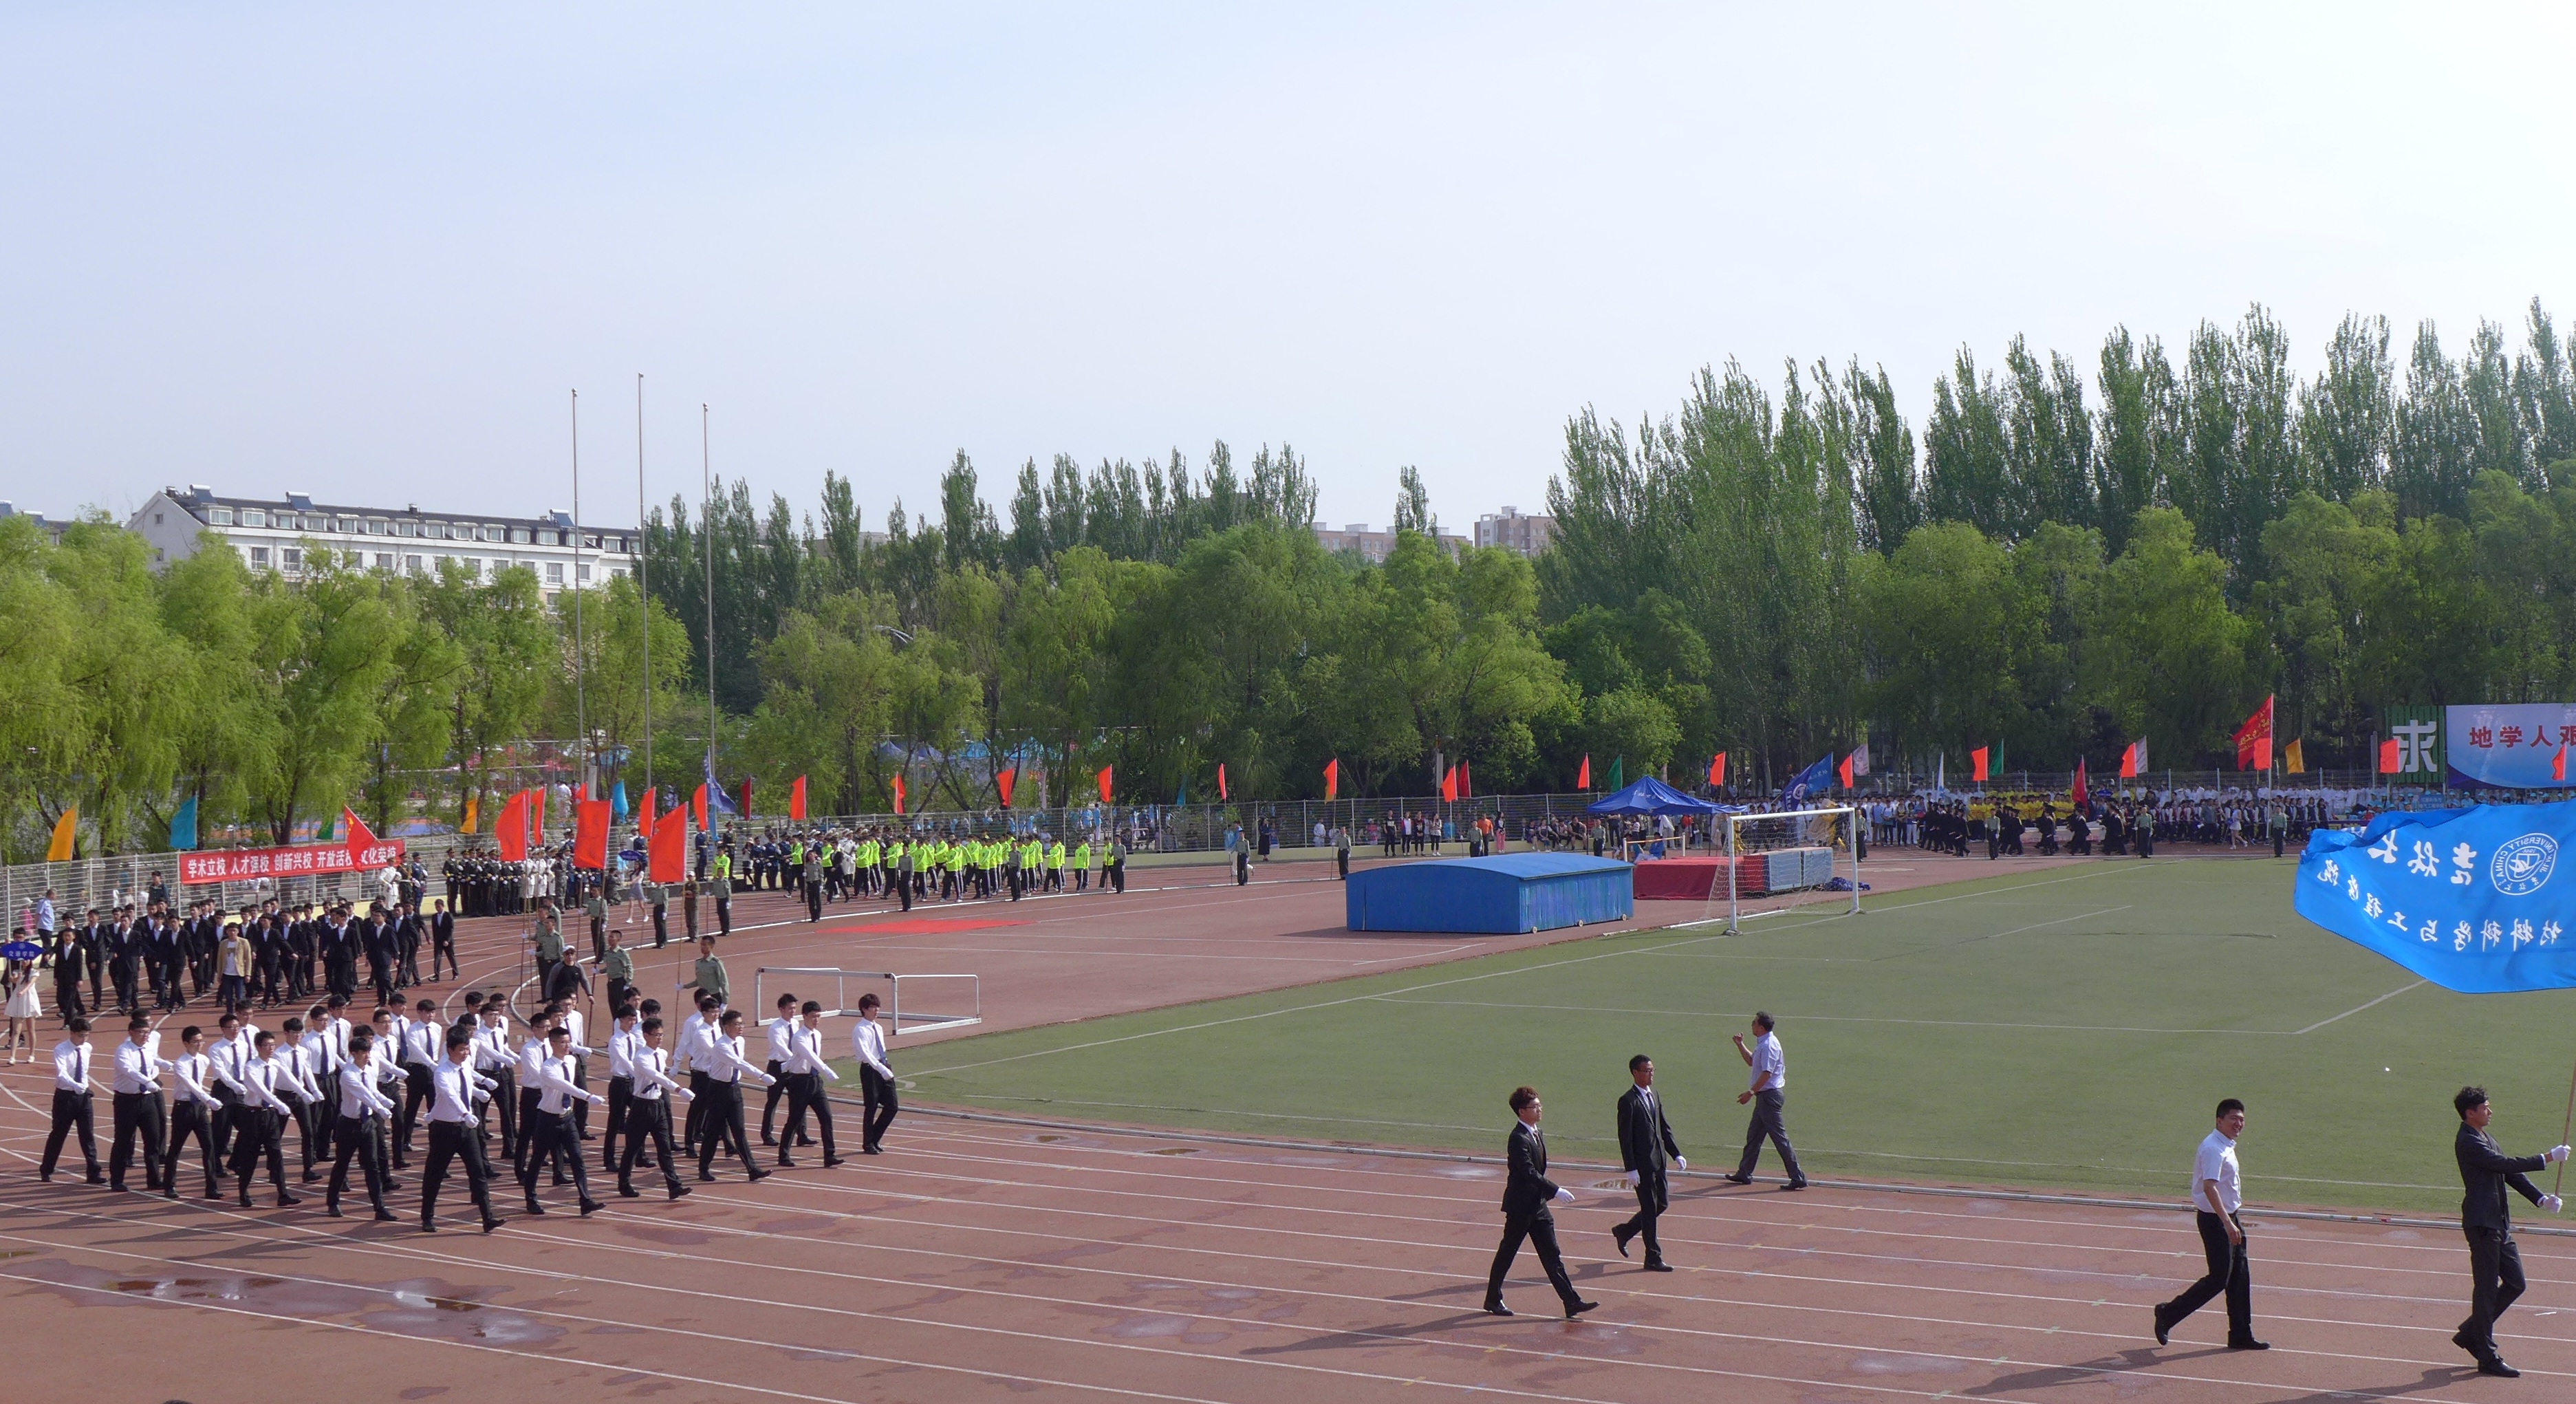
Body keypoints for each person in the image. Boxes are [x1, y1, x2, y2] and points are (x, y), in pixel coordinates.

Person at [2450, 1086, 2570, 1377]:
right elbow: (2502, 1164)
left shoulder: (2485, 1137)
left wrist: (2540, 1199)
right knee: (2486, 1290)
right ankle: (2487, 1355)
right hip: (2482, 1224)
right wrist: (2547, 1157)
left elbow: (2509, 1173)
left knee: (2516, 1282)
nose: (2490, 1111)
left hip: (2499, 1223)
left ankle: (2472, 1333)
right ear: (2470, 1113)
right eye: (2485, 1107)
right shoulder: (2468, 1141)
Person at [2152, 1099, 2266, 1350]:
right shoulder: (2213, 1149)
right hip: (2216, 1220)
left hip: (2229, 1217)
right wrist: (2227, 1223)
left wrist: (2232, 1220)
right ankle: (2168, 1313)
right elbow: (2209, 1187)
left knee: (2239, 1276)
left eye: (2242, 1119)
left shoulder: (2225, 1144)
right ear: (2219, 1120)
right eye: (2233, 1119)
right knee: (2218, 1279)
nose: (2239, 1124)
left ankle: (2241, 1334)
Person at [1483, 1086, 1595, 1319]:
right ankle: (1493, 1298)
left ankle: (1571, 1302)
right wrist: (1556, 1190)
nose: (1539, 1109)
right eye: (1535, 1107)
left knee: (1552, 1255)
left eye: (1539, 1105)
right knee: (1507, 1252)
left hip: (1539, 1206)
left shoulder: (1536, 1133)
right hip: (1521, 1207)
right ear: (1522, 1111)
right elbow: (1528, 1172)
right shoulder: (1518, 1138)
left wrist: (1547, 1194)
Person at [421, 1028, 506, 1233]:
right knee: (435, 1174)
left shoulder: (465, 1066)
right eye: (461, 1049)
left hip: (466, 1130)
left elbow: (465, 1086)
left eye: (467, 1049)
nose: (466, 1053)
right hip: (445, 1129)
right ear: (450, 1050)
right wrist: (466, 1113)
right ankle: (427, 1217)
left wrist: (479, 1090)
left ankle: (488, 1217)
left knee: (478, 1172)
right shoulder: (442, 1072)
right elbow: (451, 1095)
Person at [518, 1024, 606, 1218]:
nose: (567, 1046)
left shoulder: (572, 1061)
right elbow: (564, 1085)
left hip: (567, 1117)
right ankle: (531, 1199)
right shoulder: (547, 1068)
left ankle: (585, 1200)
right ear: (552, 1044)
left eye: (568, 1042)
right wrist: (588, 1096)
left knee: (577, 1158)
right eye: (563, 1043)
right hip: (548, 1119)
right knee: (538, 1159)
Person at [1612, 1054, 1683, 1271]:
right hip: (1642, 1166)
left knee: (1662, 1203)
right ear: (1635, 1073)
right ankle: (1653, 1257)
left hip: (1659, 1161)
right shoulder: (1628, 1101)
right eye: (1647, 1071)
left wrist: (1676, 1153)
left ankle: (1625, 1231)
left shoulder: (1654, 1095)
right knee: (1650, 1210)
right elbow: (1625, 1138)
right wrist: (1631, 1169)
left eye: (1652, 1070)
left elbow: (1663, 1127)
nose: (1651, 1074)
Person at [326, 1028, 402, 1221]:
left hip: (367, 1124)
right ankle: (333, 1201)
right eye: (364, 1052)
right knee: (342, 1164)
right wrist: (380, 1108)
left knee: (372, 1166)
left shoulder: (368, 1070)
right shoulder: (348, 1074)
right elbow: (363, 1094)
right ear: (354, 1054)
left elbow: (372, 1090)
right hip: (349, 1125)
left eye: (369, 1052)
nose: (368, 1056)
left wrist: (385, 1100)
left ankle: (379, 1208)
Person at [1724, 1011, 1806, 1189]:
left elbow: (1767, 1073)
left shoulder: (1769, 1045)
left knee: (1780, 1139)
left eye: (1754, 1023)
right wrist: (1740, 1045)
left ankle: (1798, 1177)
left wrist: (1750, 1092)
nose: (1752, 1025)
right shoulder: (1764, 1043)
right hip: (1765, 1097)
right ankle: (1744, 1173)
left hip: (1769, 1097)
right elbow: (1752, 1062)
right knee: (1754, 1137)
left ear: (1761, 1027)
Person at [617, 1016, 694, 1200]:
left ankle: (674, 1186)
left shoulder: (662, 1054)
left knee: (665, 1149)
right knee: (632, 1148)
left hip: (658, 1105)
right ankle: (624, 1184)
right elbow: (656, 1076)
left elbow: (662, 1077)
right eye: (656, 1035)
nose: (659, 1038)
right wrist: (679, 1089)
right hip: (641, 1106)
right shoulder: (641, 1057)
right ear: (646, 1036)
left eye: (661, 1035)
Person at [693, 1009, 775, 1182]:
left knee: (740, 1130)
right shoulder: (721, 1046)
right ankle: (703, 1168)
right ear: (726, 1026)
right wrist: (761, 1075)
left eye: (741, 1023)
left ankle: (752, 1169)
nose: (741, 1027)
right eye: (737, 1024)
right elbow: (738, 1062)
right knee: (713, 1132)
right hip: (718, 1090)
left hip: (734, 1089)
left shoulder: (741, 1041)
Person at [228, 1030, 304, 1206]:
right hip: (253, 1116)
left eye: (273, 1045)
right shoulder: (251, 1067)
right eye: (267, 1045)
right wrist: (279, 1103)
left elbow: (291, 1079)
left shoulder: (275, 1064)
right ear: (258, 1047)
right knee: (251, 1156)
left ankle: (283, 1194)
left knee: (276, 1155)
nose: (271, 1049)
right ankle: (243, 1192)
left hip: (270, 1115)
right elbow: (260, 1090)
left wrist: (305, 1092)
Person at [160, 1025, 226, 1200]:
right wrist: (209, 1099)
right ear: (186, 1043)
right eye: (195, 1041)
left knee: (209, 1147)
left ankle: (212, 1187)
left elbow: (200, 1084)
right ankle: (169, 1185)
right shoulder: (181, 1064)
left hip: (200, 1108)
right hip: (184, 1108)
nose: (199, 1044)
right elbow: (191, 1085)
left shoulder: (204, 1060)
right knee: (176, 1147)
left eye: (201, 1041)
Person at [776, 1000, 844, 1167]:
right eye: (813, 1016)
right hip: (800, 1082)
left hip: (815, 1081)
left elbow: (806, 1057)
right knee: (794, 1119)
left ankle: (829, 1155)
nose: (816, 1020)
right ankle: (783, 1156)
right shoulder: (799, 1037)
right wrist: (827, 1070)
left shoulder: (817, 1035)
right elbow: (810, 1056)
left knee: (826, 1117)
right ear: (804, 1016)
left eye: (819, 1016)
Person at [108, 1016, 171, 1193]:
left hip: (147, 1100)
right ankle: (117, 1180)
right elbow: (129, 1070)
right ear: (131, 1032)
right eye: (141, 1032)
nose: (145, 1036)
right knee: (123, 1141)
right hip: (126, 1101)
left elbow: (152, 1059)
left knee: (153, 1139)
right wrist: (148, 1081)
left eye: (147, 1032)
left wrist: (164, 1064)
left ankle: (154, 1179)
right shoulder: (123, 1050)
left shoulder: (147, 1049)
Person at [41, 1017, 107, 1183]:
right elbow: (61, 1073)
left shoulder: (87, 1048)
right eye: (81, 1036)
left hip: (83, 1097)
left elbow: (84, 1071)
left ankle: (94, 1172)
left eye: (87, 1035)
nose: (84, 1039)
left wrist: (83, 1087)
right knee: (58, 1134)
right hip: (66, 1097)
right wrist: (75, 1085)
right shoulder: (61, 1049)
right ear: (72, 1033)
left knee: (88, 1135)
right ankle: (47, 1169)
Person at [852, 992, 898, 1154]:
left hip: (883, 1065)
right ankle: (868, 1143)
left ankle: (875, 1138)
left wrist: (885, 1066)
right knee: (871, 1107)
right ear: (864, 1009)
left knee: (892, 1106)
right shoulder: (860, 1029)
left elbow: (881, 1049)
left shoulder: (878, 1027)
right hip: (870, 1069)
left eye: (877, 1007)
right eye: (873, 1007)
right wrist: (880, 1068)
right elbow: (866, 1054)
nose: (876, 1010)